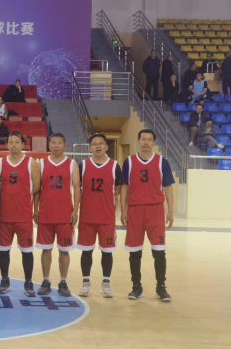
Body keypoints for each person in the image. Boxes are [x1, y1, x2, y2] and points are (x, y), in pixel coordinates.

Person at [121, 129, 174, 302]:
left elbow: (168, 187)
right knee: (134, 251)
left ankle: (161, 287)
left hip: (155, 210)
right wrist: (123, 210)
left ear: (154, 142)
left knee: (159, 251)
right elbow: (124, 187)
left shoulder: (162, 162)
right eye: (143, 139)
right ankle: (136, 287)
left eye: (149, 139)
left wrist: (170, 211)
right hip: (135, 210)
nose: (146, 142)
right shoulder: (129, 161)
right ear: (138, 141)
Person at [34, 133, 80, 298]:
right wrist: (35, 209)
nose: (56, 145)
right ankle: (46, 280)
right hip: (46, 214)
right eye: (53, 142)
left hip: (64, 215)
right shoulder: (41, 163)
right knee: (46, 250)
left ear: (65, 145)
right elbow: (37, 189)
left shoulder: (72, 164)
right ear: (49, 145)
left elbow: (77, 187)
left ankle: (63, 281)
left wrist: (75, 210)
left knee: (64, 251)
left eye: (59, 143)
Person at [0, 132, 40, 297]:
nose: (14, 145)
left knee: (27, 250)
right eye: (11, 142)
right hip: (4, 215)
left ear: (23, 144)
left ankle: (28, 282)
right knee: (3, 250)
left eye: (17, 142)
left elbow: (37, 186)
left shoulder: (31, 163)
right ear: (7, 144)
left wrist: (27, 201)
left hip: (23, 215)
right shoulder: (0, 163)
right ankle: (4, 279)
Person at [77, 134, 122, 298]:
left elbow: (117, 189)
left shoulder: (115, 166)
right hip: (87, 216)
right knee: (86, 251)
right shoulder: (82, 165)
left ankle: (106, 283)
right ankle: (86, 283)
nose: (98, 146)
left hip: (106, 217)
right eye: (94, 144)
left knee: (107, 252)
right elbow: (77, 188)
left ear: (106, 147)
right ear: (90, 148)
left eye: (101, 143)